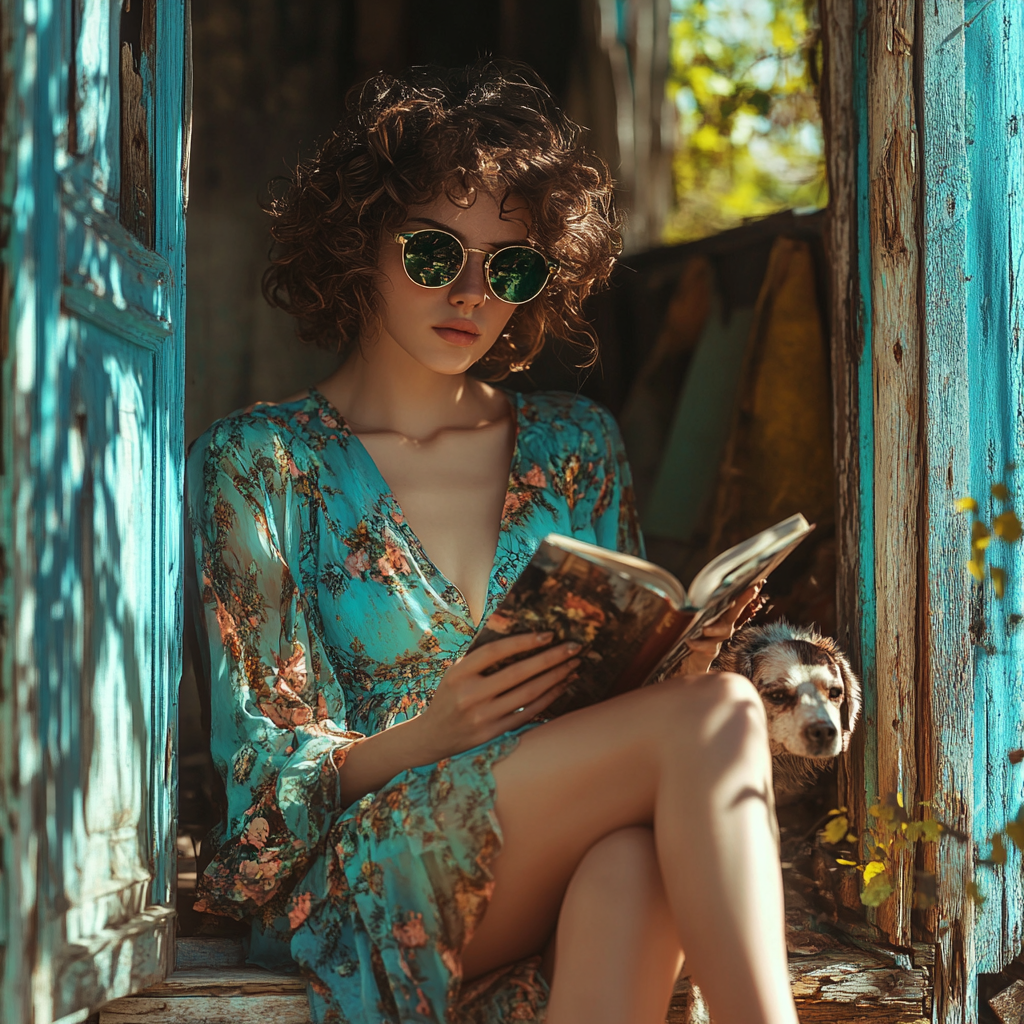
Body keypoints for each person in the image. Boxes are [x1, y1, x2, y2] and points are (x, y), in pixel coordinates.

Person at [186, 60, 799, 1024]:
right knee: (719, 718)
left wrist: (679, 654)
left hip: (563, 842)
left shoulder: (576, 445)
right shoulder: (260, 463)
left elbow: (628, 713)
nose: (470, 291)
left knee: (634, 864)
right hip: (361, 867)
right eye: (435, 254)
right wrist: (432, 734)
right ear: (362, 247)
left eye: (508, 267)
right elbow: (259, 780)